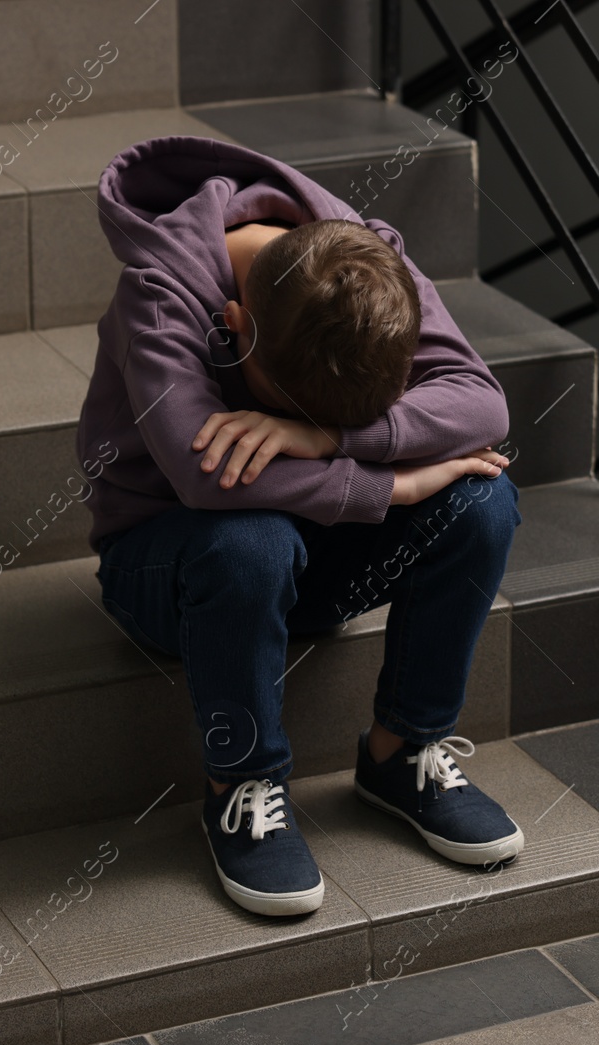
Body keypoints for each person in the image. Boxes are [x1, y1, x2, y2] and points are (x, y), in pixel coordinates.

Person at [76, 136, 525, 916]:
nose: (293, 422)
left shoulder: (363, 266)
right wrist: (399, 480)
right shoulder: (160, 291)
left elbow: (484, 403)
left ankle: (402, 752)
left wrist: (330, 438)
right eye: (286, 405)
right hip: (172, 564)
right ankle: (242, 782)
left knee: (484, 501)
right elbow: (205, 476)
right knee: (252, 537)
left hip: (307, 549)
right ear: (235, 323)